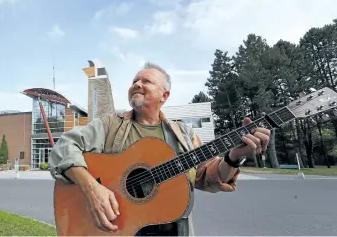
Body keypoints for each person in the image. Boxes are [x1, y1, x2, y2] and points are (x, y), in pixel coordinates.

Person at [49, 62, 270, 236]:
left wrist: (234, 157)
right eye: (135, 80)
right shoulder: (110, 125)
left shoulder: (183, 134)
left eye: (147, 81)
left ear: (165, 95)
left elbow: (206, 177)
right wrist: (91, 189)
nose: (137, 84)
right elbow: (65, 146)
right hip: (117, 228)